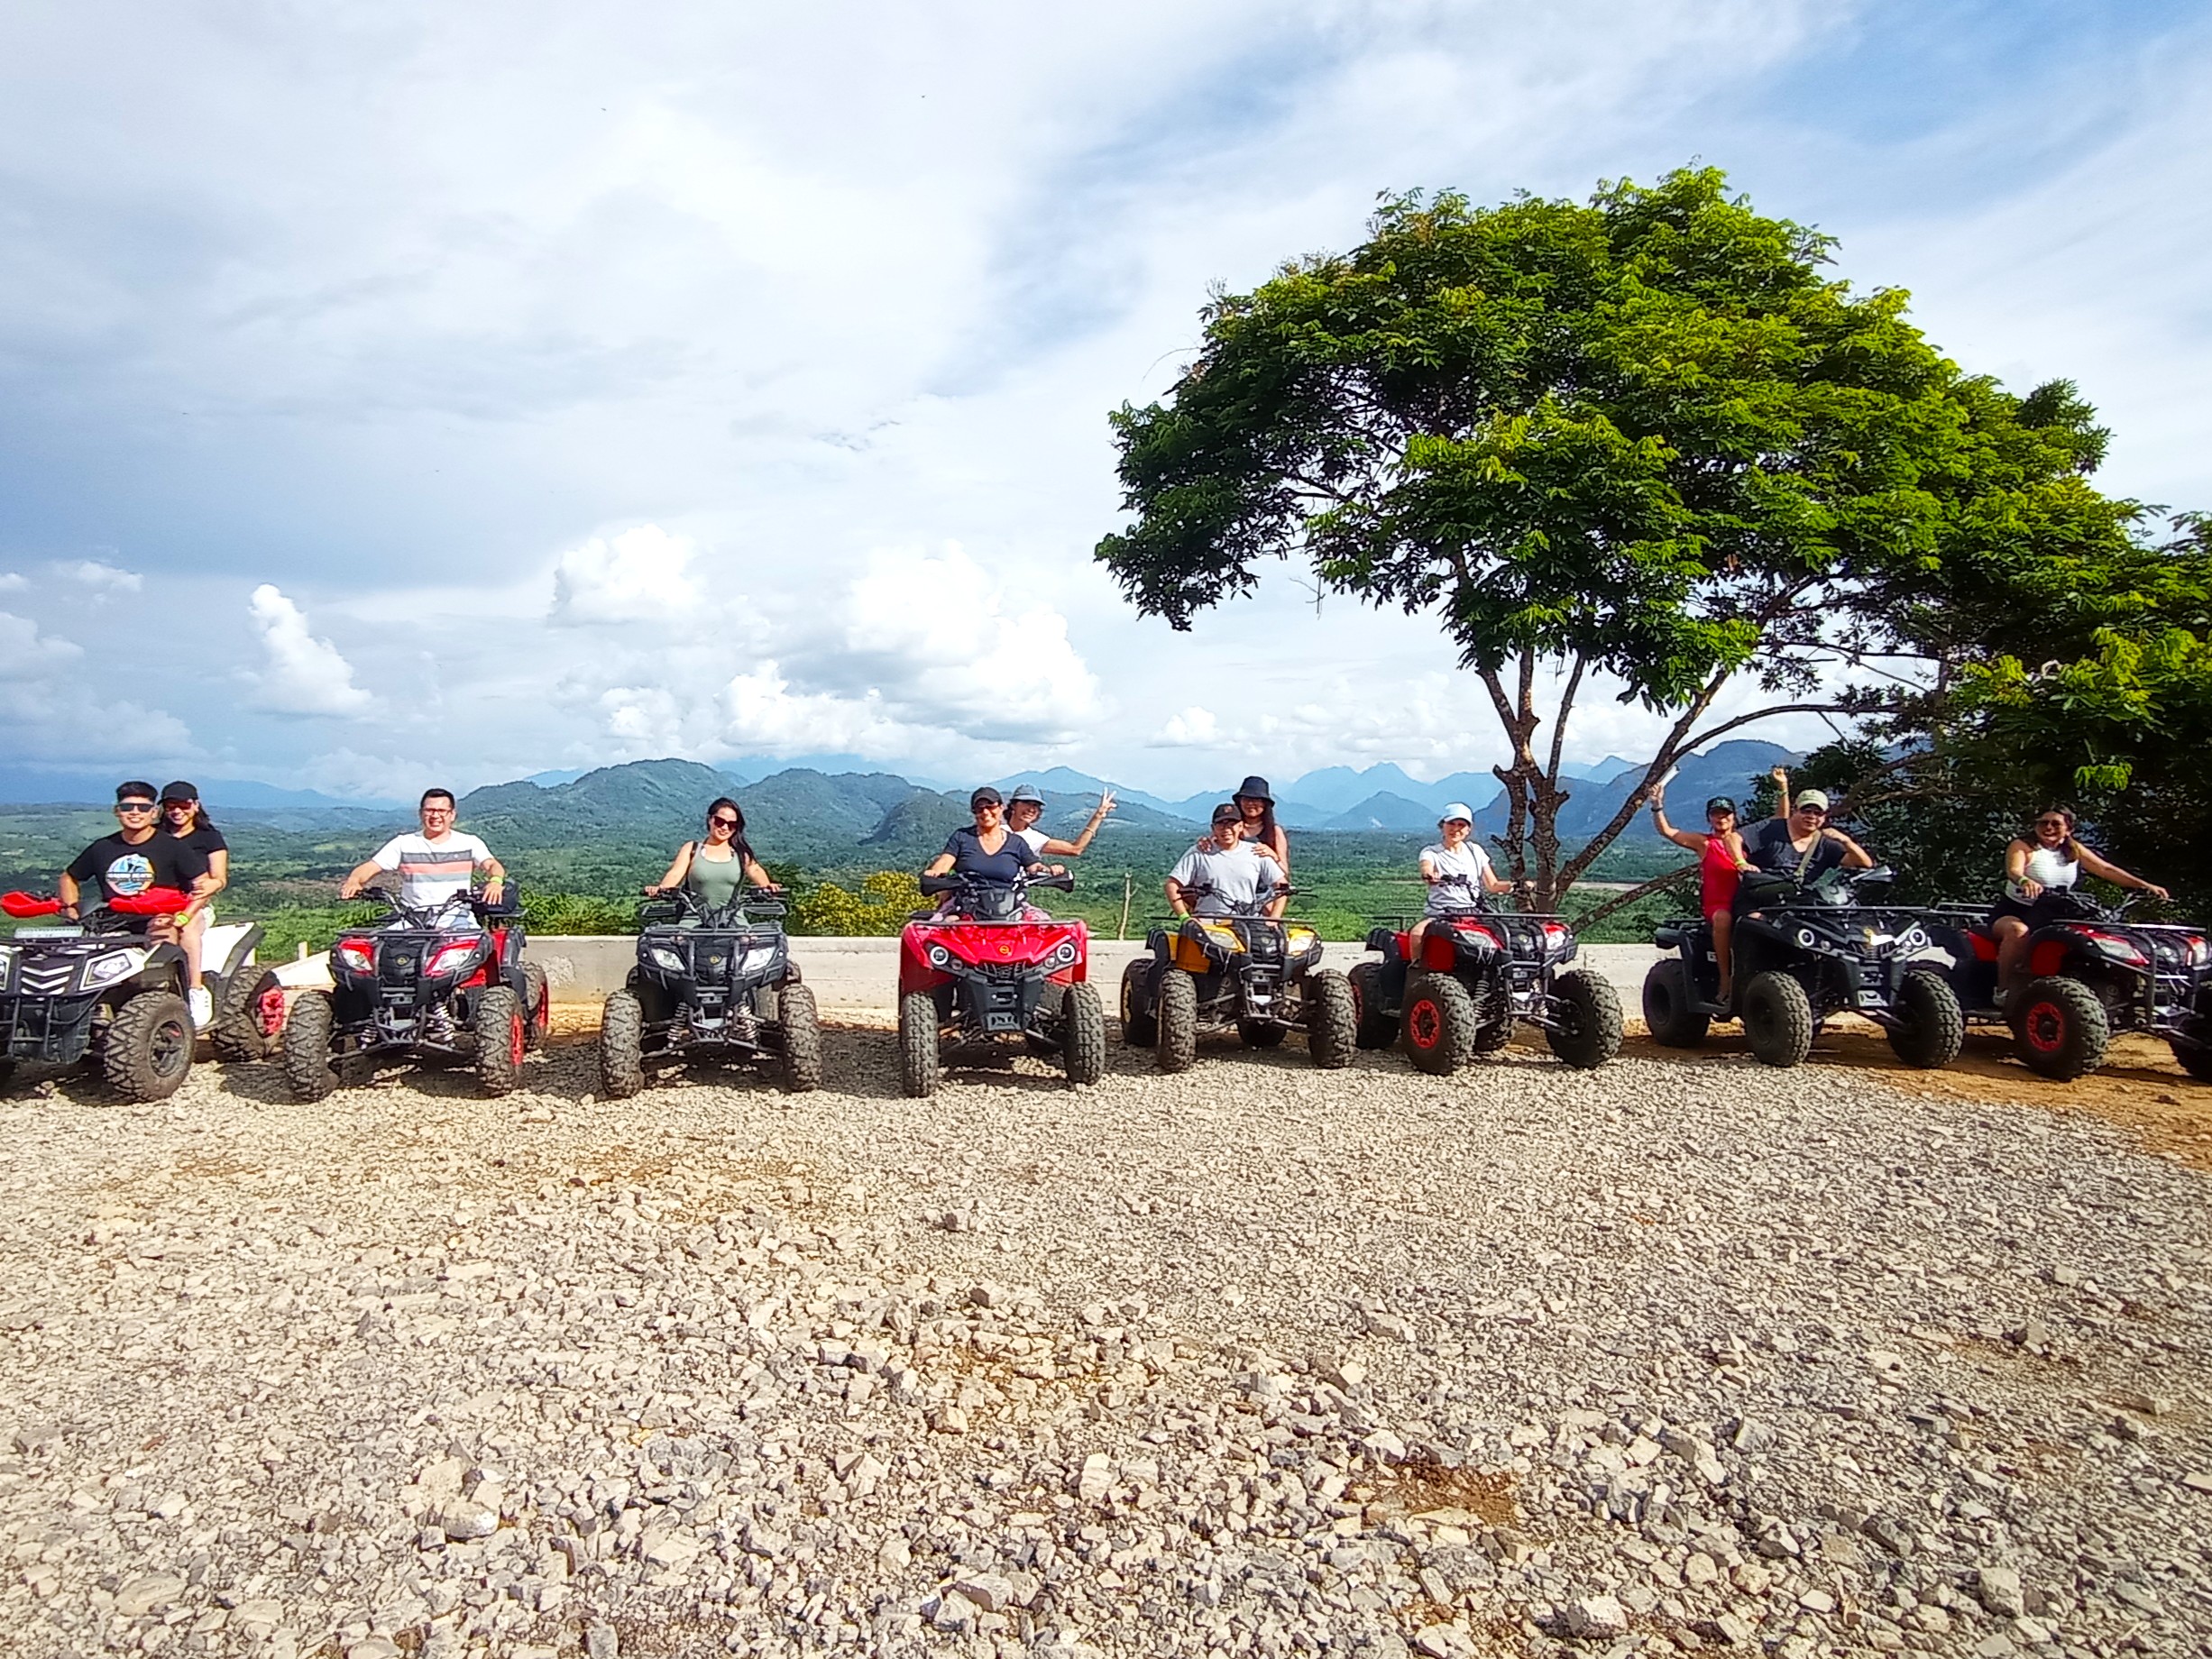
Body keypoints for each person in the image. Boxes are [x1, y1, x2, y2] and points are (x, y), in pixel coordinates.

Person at [1989, 807, 2170, 999]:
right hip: (2017, 911)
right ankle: (2003, 990)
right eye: (2043, 822)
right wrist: (2025, 881)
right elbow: (2014, 870)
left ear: (2069, 829)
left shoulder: (2073, 849)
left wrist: (2144, 886)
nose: (2048, 827)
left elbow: (2105, 869)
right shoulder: (2023, 845)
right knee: (2018, 931)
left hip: (2055, 913)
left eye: (2056, 824)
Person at [59, 785, 211, 959]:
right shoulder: (102, 847)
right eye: (127, 807)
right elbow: (69, 877)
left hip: (158, 917)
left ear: (154, 812)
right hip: (111, 920)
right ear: (117, 811)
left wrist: (184, 916)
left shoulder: (173, 847)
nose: (135, 812)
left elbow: (202, 883)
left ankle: (167, 977)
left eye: (143, 808)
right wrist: (71, 907)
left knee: (163, 940)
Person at [1649, 782, 1754, 1003]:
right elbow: (1668, 832)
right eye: (1716, 814)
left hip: (1745, 902)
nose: (1721, 818)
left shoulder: (1746, 842)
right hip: (1719, 905)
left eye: (1725, 814)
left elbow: (1780, 823)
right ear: (1709, 818)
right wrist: (1657, 805)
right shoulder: (1705, 843)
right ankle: (1725, 979)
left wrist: (1783, 789)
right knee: (1723, 919)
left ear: (1734, 817)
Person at [339, 789, 506, 919]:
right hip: (411, 919)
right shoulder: (403, 843)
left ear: (452, 815)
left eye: (442, 811)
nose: (435, 816)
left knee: (474, 950)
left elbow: (492, 864)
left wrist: (495, 881)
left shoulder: (469, 842)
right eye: (430, 810)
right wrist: (354, 881)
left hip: (456, 918)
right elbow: (371, 866)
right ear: (420, 813)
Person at [159, 781, 229, 1030]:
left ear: (196, 806)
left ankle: (195, 989)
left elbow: (218, 879)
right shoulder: (156, 836)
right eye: (171, 806)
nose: (177, 811)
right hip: (157, 905)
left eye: (183, 805)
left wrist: (194, 903)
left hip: (195, 905)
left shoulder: (208, 837)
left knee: (186, 930)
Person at [1740, 769, 1874, 889]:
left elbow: (1864, 864)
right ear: (1795, 811)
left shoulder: (1826, 844)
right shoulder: (1772, 829)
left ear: (1824, 816)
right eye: (1806, 811)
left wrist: (1847, 842)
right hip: (1761, 897)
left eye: (1818, 813)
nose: (1812, 817)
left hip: (1798, 902)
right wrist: (1740, 863)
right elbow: (1734, 837)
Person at [1409, 802, 1512, 953]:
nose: (1456, 829)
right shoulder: (1431, 852)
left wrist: (1516, 886)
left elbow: (1493, 885)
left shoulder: (1475, 851)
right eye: (1451, 823)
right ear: (1442, 826)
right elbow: (1426, 867)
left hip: (1473, 912)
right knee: (1417, 934)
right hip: (1441, 913)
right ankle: (1417, 966)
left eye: (1461, 825)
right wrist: (1429, 875)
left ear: (1468, 829)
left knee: (1506, 936)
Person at [646, 797, 779, 912]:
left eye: (732, 824)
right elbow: (676, 873)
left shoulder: (740, 853)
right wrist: (662, 888)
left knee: (750, 936)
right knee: (678, 935)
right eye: (720, 822)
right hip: (695, 916)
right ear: (710, 819)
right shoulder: (692, 849)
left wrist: (767, 886)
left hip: (733, 917)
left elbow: (754, 869)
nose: (725, 828)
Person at [923, 788, 1048, 911]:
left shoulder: (1017, 842)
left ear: (1001, 808)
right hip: (966, 905)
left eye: (991, 807)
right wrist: (935, 872)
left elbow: (1034, 867)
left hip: (1009, 906)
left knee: (1042, 923)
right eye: (980, 808)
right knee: (947, 922)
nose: (986, 812)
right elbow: (945, 860)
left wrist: (1049, 871)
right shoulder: (962, 837)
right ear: (974, 812)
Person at [1167, 802, 1288, 920]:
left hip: (1247, 921)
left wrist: (1274, 918)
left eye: (1232, 824)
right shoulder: (1198, 853)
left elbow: (1282, 886)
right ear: (1213, 828)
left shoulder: (1256, 852)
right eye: (1221, 824)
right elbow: (1172, 884)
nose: (1226, 829)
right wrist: (1184, 917)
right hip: (1207, 922)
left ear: (1240, 827)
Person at [1005, 784, 1115, 873]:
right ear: (1013, 805)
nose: (1031, 809)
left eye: (1035, 805)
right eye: (1026, 803)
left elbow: (1075, 849)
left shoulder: (1035, 839)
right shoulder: (998, 831)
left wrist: (1098, 815)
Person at [1225, 775, 1290, 877]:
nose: (1250, 803)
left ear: (1264, 803)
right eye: (1246, 799)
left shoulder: (1275, 832)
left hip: (1265, 886)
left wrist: (1273, 855)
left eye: (1256, 800)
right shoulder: (1229, 829)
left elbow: (1284, 872)